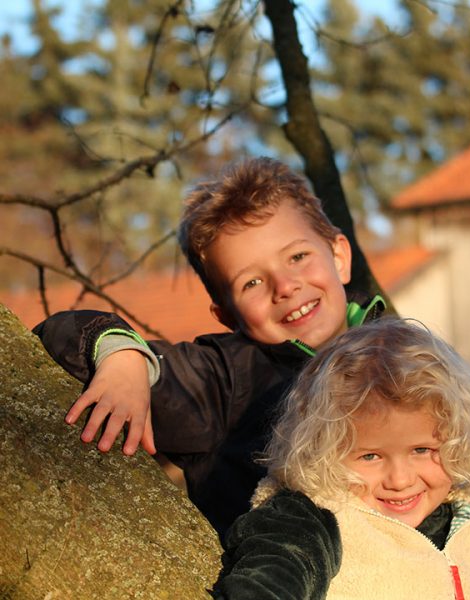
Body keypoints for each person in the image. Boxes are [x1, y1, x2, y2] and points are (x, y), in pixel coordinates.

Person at [33, 156, 386, 537]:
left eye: (298, 257)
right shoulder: (222, 380)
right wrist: (124, 359)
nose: (285, 286)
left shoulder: (399, 352)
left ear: (339, 257)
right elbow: (61, 331)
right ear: (227, 316)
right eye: (251, 282)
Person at [210, 317, 470, 600]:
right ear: (324, 452)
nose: (400, 480)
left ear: (459, 442)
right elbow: (272, 577)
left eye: (421, 450)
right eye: (371, 456)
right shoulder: (310, 521)